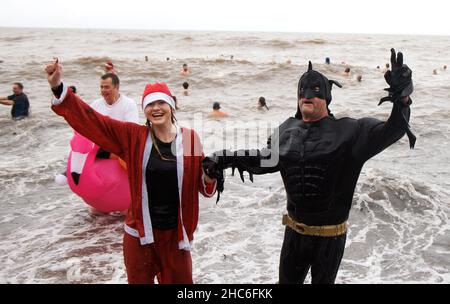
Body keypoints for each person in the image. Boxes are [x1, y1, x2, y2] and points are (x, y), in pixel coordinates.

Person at [203, 49, 415, 284]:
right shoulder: (286, 130)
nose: (308, 95)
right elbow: (263, 160)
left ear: (326, 97)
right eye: (303, 90)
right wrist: (221, 158)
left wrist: (402, 98)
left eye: (315, 91)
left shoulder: (350, 132)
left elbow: (392, 130)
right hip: (294, 234)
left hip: (330, 238)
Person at [45, 59, 217, 284]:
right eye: (150, 104)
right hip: (140, 236)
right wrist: (59, 88)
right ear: (144, 110)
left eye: (161, 103)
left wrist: (209, 174)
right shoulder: (133, 136)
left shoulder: (190, 138)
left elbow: (205, 189)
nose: (156, 108)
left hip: (175, 238)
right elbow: (93, 122)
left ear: (171, 106)